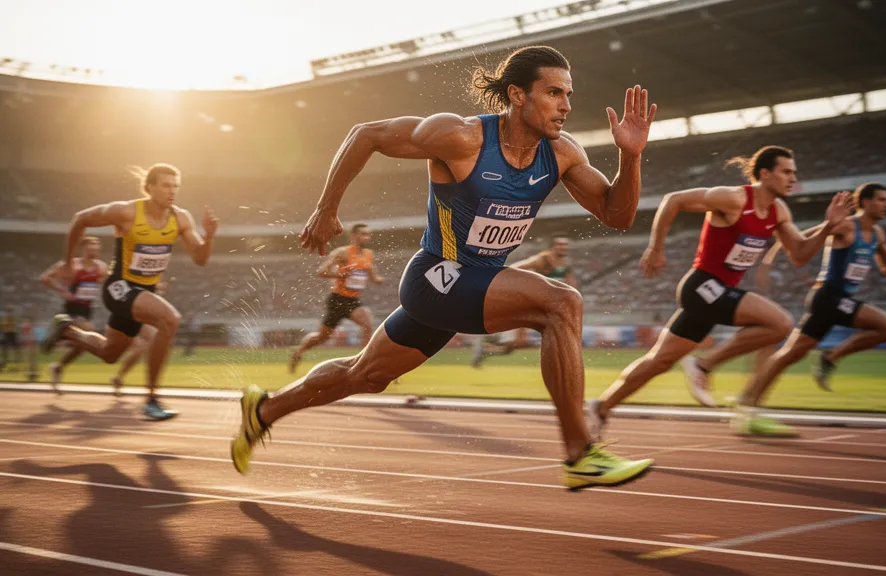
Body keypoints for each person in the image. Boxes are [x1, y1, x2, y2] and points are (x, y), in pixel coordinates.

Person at [232, 45, 658, 491]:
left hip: (474, 285)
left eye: (568, 94)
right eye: (553, 93)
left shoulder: (562, 153)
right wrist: (326, 209)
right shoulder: (462, 137)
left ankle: (263, 410)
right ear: (517, 95)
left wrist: (631, 156)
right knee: (562, 303)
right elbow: (366, 134)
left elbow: (617, 215)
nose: (566, 105)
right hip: (437, 277)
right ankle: (580, 452)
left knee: (366, 375)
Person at [586, 146, 851, 439]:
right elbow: (673, 199)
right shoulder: (734, 198)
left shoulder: (779, 212)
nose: (793, 178)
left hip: (717, 294)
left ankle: (600, 407)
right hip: (702, 286)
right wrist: (656, 248)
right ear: (765, 174)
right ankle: (705, 365)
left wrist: (828, 227)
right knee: (780, 323)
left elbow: (800, 254)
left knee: (658, 361)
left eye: (794, 173)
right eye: (786, 172)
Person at [41, 164, 219, 420]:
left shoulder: (181, 218)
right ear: (149, 187)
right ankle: (152, 400)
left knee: (109, 353)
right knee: (170, 319)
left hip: (144, 291)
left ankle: (66, 329)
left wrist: (209, 237)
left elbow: (200, 259)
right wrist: (68, 262)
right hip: (119, 286)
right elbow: (80, 218)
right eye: (165, 185)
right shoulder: (126, 212)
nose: (172, 191)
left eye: (175, 186)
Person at [738, 183, 886, 435]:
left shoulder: (877, 234)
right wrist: (769, 259)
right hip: (827, 297)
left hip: (837, 300)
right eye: (881, 200)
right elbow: (800, 239)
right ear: (865, 202)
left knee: (789, 355)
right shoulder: (847, 225)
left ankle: (747, 401)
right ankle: (830, 357)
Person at [288, 223, 383, 373]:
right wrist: (340, 274)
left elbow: (371, 274)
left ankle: (363, 364)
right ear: (353, 236)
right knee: (322, 337)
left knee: (367, 325)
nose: (366, 237)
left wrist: (377, 280)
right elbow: (321, 271)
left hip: (353, 300)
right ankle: (298, 351)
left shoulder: (368, 255)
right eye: (362, 234)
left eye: (368, 234)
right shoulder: (343, 252)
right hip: (338, 300)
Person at [471, 234, 576, 367]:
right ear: (552, 247)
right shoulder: (541, 260)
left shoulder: (565, 265)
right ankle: (488, 341)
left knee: (522, 343)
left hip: (543, 306)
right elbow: (515, 267)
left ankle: (487, 349)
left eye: (565, 245)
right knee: (523, 340)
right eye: (560, 245)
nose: (563, 248)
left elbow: (571, 286)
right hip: (528, 302)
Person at [39, 236, 108, 394]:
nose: (95, 251)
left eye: (97, 248)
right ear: (83, 249)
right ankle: (60, 330)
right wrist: (62, 291)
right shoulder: (72, 266)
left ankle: (58, 366)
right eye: (91, 248)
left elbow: (106, 279)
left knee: (84, 346)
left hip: (86, 311)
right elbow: (45, 278)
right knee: (88, 331)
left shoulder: (101, 267)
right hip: (71, 310)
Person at [110, 280, 169, 396]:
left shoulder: (156, 286)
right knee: (141, 348)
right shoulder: (138, 283)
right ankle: (149, 386)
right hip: (129, 319)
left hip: (143, 320)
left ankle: (120, 378)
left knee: (147, 347)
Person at [0, 305, 20, 371]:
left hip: (11, 333)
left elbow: (14, 325)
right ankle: (4, 361)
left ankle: (15, 360)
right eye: (9, 311)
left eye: (11, 311)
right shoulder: (5, 317)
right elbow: (3, 326)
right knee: (5, 348)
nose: (10, 312)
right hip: (7, 333)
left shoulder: (12, 317)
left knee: (15, 347)